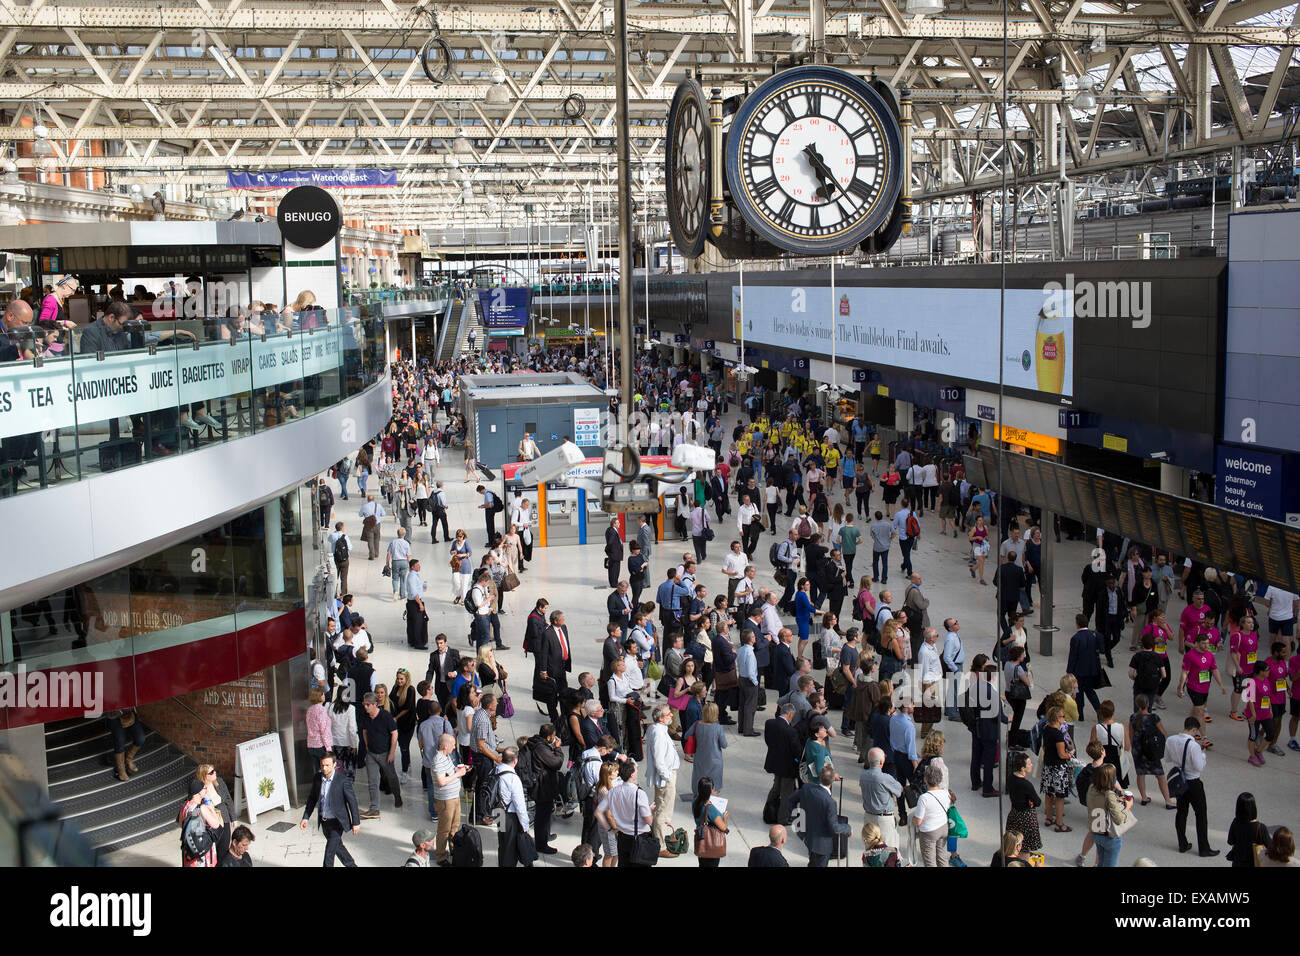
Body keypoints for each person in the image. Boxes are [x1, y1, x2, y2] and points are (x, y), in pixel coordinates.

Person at [1165, 717, 1219, 857]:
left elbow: (1167, 758)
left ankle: (1182, 844)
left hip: (1180, 782)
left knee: (1181, 812)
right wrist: (1203, 755)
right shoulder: (1193, 745)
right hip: (1193, 782)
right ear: (1194, 729)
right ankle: (1204, 848)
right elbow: (1199, 766)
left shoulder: (1170, 740)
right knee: (1201, 815)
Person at [299, 753, 361, 867]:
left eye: (327, 765)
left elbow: (352, 802)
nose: (324, 768)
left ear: (334, 765)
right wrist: (306, 817)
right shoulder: (318, 778)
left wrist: (356, 822)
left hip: (337, 823)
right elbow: (312, 798)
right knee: (338, 847)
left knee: (329, 854)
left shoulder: (342, 781)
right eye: (322, 765)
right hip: (325, 822)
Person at [787, 763, 850, 867]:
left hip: (808, 837)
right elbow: (834, 827)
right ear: (833, 780)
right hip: (822, 845)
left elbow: (791, 801)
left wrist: (797, 819)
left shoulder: (807, 789)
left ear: (820, 778)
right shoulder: (830, 802)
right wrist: (847, 828)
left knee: (812, 862)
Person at [597, 759, 654, 868]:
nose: (637, 772)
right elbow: (649, 821)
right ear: (632, 775)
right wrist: (650, 810)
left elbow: (599, 812)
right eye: (636, 770)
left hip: (622, 837)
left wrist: (610, 829)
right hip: (638, 837)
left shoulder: (613, 791)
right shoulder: (639, 793)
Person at [643, 703, 681, 859]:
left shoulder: (658, 729)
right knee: (663, 812)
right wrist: (667, 776)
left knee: (661, 808)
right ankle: (660, 846)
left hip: (667, 775)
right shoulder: (658, 732)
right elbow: (659, 760)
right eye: (668, 714)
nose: (671, 715)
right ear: (660, 718)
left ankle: (658, 838)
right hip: (666, 778)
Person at [1129, 695, 1176, 809]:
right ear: (1148, 704)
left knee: (1141, 774)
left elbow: (1131, 736)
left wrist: (1134, 748)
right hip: (1151, 750)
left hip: (1138, 750)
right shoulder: (1154, 718)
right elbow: (1163, 733)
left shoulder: (1133, 718)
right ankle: (1168, 801)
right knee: (1160, 775)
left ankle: (1144, 797)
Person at [359, 692, 401, 818]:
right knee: (372, 781)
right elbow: (364, 731)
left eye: (368, 705)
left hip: (385, 753)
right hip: (371, 753)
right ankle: (374, 808)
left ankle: (397, 796)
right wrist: (366, 745)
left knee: (391, 776)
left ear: (375, 704)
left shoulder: (385, 716)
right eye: (364, 704)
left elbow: (394, 733)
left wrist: (392, 752)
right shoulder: (365, 716)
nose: (365, 707)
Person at [1085, 763, 1133, 867]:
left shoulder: (1092, 788)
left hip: (1096, 832)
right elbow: (1119, 819)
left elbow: (1101, 802)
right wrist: (1128, 807)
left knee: (1101, 862)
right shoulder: (1109, 795)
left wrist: (1116, 799)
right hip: (1109, 836)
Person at [493, 747, 533, 868]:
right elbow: (519, 805)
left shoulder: (495, 771)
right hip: (509, 816)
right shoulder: (513, 778)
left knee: (503, 844)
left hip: (498, 812)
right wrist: (525, 825)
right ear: (515, 761)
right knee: (510, 849)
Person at [859, 746, 903, 851]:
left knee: (870, 850)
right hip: (884, 820)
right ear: (881, 762)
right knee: (889, 851)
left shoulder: (863, 775)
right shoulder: (884, 778)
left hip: (869, 817)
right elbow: (899, 790)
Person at [764, 702, 801, 825]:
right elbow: (796, 751)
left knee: (775, 789)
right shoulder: (791, 731)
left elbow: (768, 741)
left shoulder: (769, 723)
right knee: (786, 793)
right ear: (790, 714)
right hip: (787, 767)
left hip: (774, 763)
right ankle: (783, 818)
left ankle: (768, 812)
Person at [1041, 705, 1075, 833]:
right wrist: (1070, 754)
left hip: (1048, 766)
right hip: (1058, 769)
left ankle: (1049, 817)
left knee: (1049, 793)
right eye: (1062, 716)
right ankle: (1059, 823)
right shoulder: (1058, 734)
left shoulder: (1047, 729)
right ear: (1057, 718)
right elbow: (1062, 754)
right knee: (1059, 797)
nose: (1064, 718)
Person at [910, 761, 951, 867]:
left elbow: (918, 820)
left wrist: (912, 819)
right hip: (943, 828)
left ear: (925, 780)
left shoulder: (924, 798)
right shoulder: (946, 793)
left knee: (930, 862)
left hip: (929, 832)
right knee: (942, 858)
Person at [1067, 613, 1104, 720]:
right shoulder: (1095, 635)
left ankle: (1080, 715)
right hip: (1093, 670)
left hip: (1079, 671)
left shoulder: (1075, 638)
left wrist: (1069, 672)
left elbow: (1072, 657)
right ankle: (1099, 711)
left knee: (1079, 693)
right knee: (1090, 691)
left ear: (1077, 624)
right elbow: (1102, 650)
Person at [1005, 749, 1042, 853]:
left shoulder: (1011, 777)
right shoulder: (1026, 785)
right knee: (1025, 848)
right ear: (1023, 768)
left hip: (1014, 814)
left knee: (1013, 844)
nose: (1032, 765)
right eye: (1029, 763)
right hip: (1026, 817)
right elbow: (1038, 802)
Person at [1226, 791, 1270, 868]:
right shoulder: (1260, 827)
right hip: (1254, 862)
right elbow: (1270, 846)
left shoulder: (1235, 822)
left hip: (1238, 862)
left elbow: (1230, 841)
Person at [692, 776, 728, 867]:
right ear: (710, 791)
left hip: (702, 842)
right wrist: (725, 818)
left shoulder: (695, 803)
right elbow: (723, 827)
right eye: (713, 789)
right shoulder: (711, 809)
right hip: (711, 846)